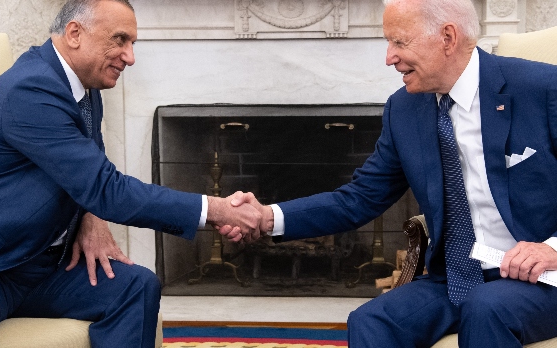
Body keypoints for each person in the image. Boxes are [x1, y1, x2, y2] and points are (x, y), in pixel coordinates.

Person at [223, 0, 557, 346]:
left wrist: (551, 249)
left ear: (447, 37)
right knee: (370, 321)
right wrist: (266, 218)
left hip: (543, 278)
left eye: (400, 42)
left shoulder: (543, 89)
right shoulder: (405, 109)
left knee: (487, 307)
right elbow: (359, 198)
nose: (389, 57)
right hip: (455, 279)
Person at [0, 0, 260, 347]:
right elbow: (106, 187)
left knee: (136, 286)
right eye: (120, 40)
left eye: (132, 44)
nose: (130, 57)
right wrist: (216, 210)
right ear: (75, 33)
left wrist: (89, 215)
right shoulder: (30, 89)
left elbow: (88, 166)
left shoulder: (84, 86)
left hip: (44, 264)